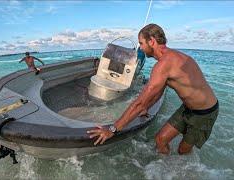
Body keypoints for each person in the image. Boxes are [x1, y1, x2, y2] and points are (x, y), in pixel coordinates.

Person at [87, 24, 219, 155]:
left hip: (204, 113)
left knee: (182, 150)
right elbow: (157, 92)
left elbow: (140, 102)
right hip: (188, 108)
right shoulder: (169, 58)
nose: (141, 48)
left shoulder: (164, 64)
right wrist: (146, 108)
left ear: (152, 41)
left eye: (141, 43)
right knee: (160, 140)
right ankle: (167, 171)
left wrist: (112, 129)